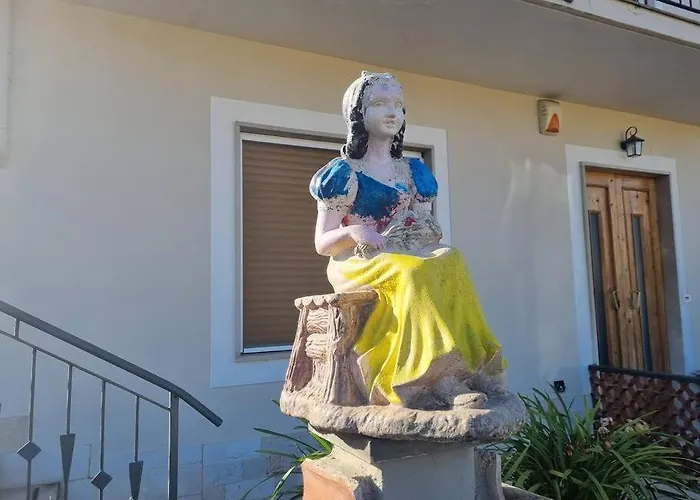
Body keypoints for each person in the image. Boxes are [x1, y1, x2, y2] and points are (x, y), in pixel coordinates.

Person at [309, 71, 505, 410]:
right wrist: (354, 232)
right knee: (413, 272)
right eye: (379, 103)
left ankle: (473, 366)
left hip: (403, 250)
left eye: (397, 105)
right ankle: (431, 378)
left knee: (452, 259)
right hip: (357, 260)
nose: (391, 112)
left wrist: (421, 229)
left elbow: (422, 223)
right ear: (357, 114)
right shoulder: (344, 172)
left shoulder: (412, 171)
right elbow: (322, 242)